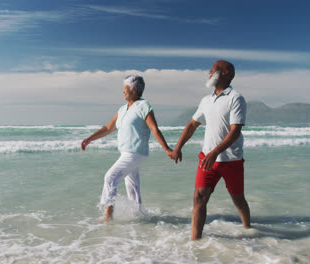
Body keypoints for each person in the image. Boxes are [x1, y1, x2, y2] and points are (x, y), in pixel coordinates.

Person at [170, 60, 251, 240]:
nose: (209, 73)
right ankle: (195, 242)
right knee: (199, 198)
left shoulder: (235, 98)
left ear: (226, 73)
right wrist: (178, 147)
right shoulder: (206, 100)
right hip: (207, 159)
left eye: (213, 70)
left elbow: (235, 131)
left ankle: (249, 229)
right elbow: (192, 124)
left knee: (238, 200)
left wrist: (215, 153)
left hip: (231, 160)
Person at [81, 75, 173, 222]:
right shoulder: (123, 109)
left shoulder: (144, 106)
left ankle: (108, 217)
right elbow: (108, 127)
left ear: (134, 89)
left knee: (110, 178)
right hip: (127, 152)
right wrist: (90, 139)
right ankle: (139, 216)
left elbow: (154, 128)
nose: (123, 92)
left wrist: (167, 149)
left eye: (125, 89)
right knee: (132, 187)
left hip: (135, 152)